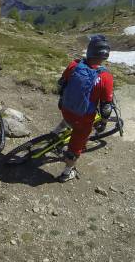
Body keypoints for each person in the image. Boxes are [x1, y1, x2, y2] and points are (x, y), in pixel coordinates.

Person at [54, 34, 114, 182]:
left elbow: (61, 84)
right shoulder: (106, 77)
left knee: (69, 118)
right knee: (76, 145)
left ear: (90, 50)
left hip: (66, 109)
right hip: (83, 119)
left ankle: (55, 133)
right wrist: (104, 122)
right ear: (105, 55)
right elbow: (106, 107)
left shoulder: (74, 65)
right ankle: (67, 172)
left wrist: (62, 100)